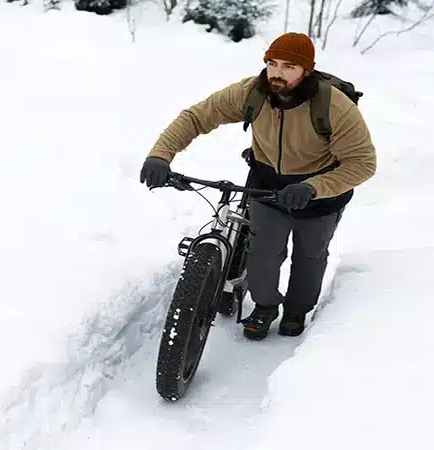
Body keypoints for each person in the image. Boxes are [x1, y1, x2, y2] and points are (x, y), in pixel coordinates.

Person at [139, 32, 377, 340]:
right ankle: (265, 306)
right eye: (272, 63)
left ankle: (297, 310)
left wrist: (313, 187)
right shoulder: (253, 93)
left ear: (307, 70)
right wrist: (160, 155)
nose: (277, 73)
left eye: (289, 66)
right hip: (267, 187)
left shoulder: (333, 106)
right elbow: (197, 117)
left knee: (309, 257)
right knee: (263, 254)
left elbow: (362, 163)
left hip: (319, 194)